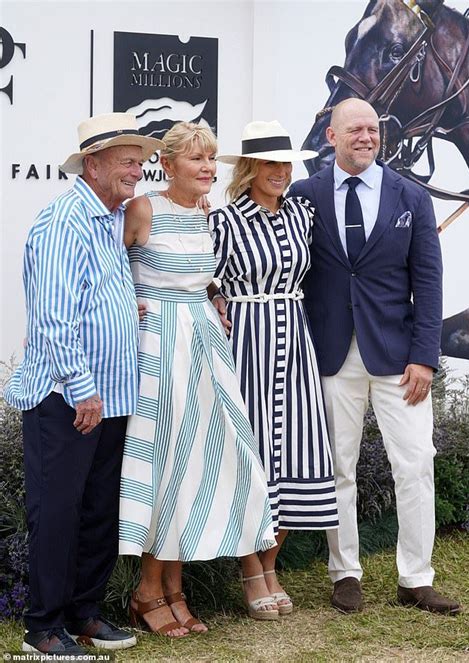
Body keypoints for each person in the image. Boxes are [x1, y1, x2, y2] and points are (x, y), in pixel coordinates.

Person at [289, 98, 461, 615]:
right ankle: (345, 573)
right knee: (336, 468)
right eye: (354, 129)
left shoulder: (411, 196)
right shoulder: (305, 196)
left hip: (400, 358)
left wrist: (425, 356)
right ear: (331, 137)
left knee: (414, 465)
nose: (366, 136)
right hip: (331, 356)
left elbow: (429, 281)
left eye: (372, 128)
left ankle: (416, 577)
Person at [4, 113, 164, 657]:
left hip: (110, 395)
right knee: (57, 509)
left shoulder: (106, 218)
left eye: (140, 162)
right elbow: (52, 318)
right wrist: (82, 387)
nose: (136, 171)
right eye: (127, 161)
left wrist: (126, 307)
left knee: (97, 509)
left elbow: (89, 297)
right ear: (92, 165)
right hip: (70, 396)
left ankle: (84, 615)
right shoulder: (64, 222)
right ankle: (43, 628)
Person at [118, 121, 276, 636]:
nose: (208, 168)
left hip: (206, 344)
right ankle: (147, 591)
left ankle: (174, 589)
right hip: (160, 346)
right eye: (196, 160)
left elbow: (197, 273)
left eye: (211, 160)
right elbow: (106, 264)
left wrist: (213, 297)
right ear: (168, 165)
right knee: (164, 463)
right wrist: (127, 302)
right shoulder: (143, 208)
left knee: (196, 462)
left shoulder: (207, 212)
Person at [208, 120, 338, 620]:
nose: (281, 172)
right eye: (270, 164)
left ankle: (271, 565)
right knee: (252, 453)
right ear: (249, 169)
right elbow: (202, 279)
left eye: (285, 163)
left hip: (295, 341)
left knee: (296, 455)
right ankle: (249, 571)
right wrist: (219, 299)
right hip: (246, 343)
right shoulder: (223, 221)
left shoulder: (303, 213)